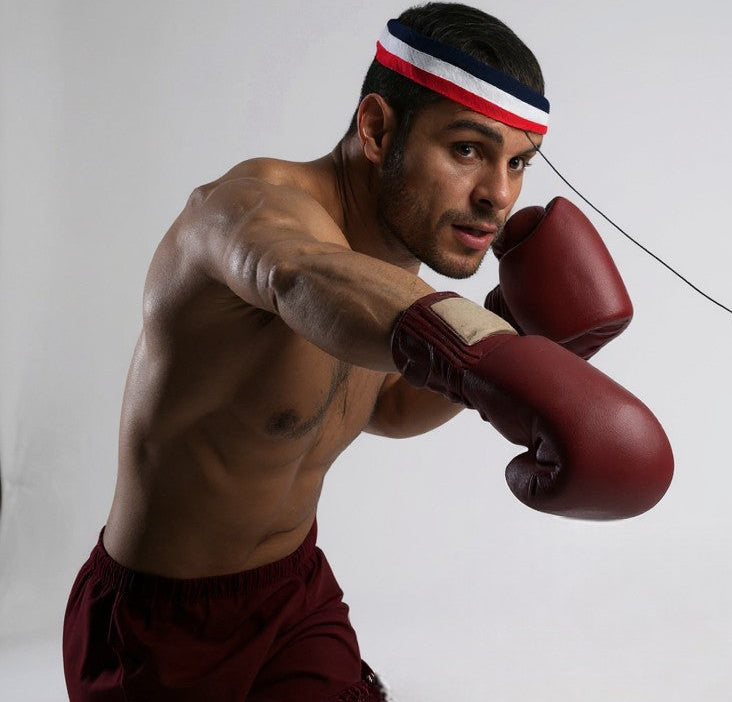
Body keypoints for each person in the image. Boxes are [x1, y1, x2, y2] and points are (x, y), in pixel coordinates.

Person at [61, 4, 674, 700]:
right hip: (159, 631)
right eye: (468, 150)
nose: (497, 196)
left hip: (296, 597)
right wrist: (492, 351)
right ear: (379, 130)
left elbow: (386, 404)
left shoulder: (394, 255)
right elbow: (294, 274)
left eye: (517, 163)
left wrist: (518, 328)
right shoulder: (243, 212)